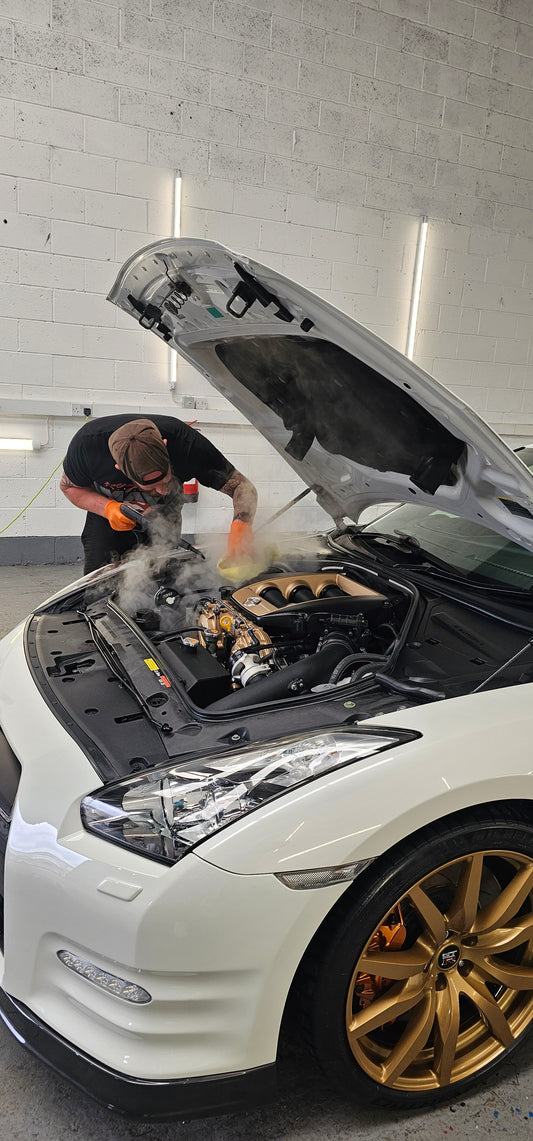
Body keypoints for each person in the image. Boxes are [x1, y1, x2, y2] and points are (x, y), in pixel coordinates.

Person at [60, 414, 257, 574]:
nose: (163, 490)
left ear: (164, 445)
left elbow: (242, 486)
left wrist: (241, 524)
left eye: (166, 479)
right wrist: (107, 508)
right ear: (119, 468)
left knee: (164, 579)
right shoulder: (87, 447)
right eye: (153, 486)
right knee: (99, 580)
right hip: (109, 517)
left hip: (165, 515)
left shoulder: (186, 444)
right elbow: (69, 487)